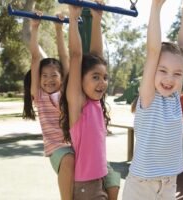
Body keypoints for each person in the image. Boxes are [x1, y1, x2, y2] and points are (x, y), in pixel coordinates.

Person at [122, 0, 183, 199]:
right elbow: (153, 51)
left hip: (169, 181)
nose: (169, 78)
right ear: (152, 70)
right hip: (142, 184)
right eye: (162, 70)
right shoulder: (149, 96)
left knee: (181, 57)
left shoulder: (174, 97)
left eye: (177, 74)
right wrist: (156, 7)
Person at [60, 4, 114, 200]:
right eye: (95, 77)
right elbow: (76, 57)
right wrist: (73, 18)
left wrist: (97, 19)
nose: (102, 82)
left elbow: (96, 55)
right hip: (85, 187)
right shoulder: (78, 103)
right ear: (79, 79)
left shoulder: (95, 103)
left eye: (105, 77)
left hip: (100, 180)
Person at [22, 12, 74, 200]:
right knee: (68, 161)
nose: (49, 80)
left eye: (54, 75)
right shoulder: (39, 96)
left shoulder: (67, 93)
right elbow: (36, 58)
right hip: (57, 149)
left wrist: (59, 29)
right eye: (44, 76)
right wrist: (35, 27)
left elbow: (65, 57)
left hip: (76, 145)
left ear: (62, 77)